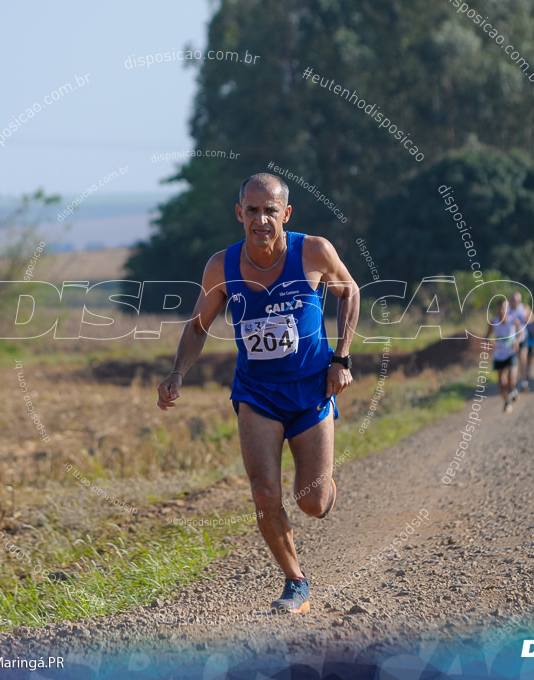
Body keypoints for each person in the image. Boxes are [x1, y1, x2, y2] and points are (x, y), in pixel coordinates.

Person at [156, 173, 360, 614]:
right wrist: (177, 373)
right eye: (252, 210)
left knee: (312, 501)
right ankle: (296, 581)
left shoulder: (314, 251)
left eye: (270, 210)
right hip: (256, 394)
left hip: (310, 390)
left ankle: (324, 490)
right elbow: (197, 326)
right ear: (239, 214)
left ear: (286, 214)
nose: (261, 219)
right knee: (265, 494)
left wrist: (341, 358)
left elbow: (350, 293)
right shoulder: (221, 266)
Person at [484, 297, 522, 413]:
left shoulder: (513, 321)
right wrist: (491, 343)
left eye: (504, 307)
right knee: (501, 383)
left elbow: (520, 333)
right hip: (499, 355)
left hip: (510, 353)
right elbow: (486, 338)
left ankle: (513, 389)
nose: (502, 310)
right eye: (500, 307)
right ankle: (507, 402)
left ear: (508, 308)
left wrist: (517, 341)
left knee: (511, 379)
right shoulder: (493, 322)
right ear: (497, 309)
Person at [509, 291, 534, 392]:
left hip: (523, 337)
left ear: (519, 300)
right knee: (512, 361)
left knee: (523, 359)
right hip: (512, 339)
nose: (514, 302)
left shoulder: (524, 308)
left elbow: (533, 318)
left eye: (516, 300)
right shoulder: (508, 310)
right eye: (513, 300)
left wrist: (528, 319)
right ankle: (513, 380)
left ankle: (523, 381)